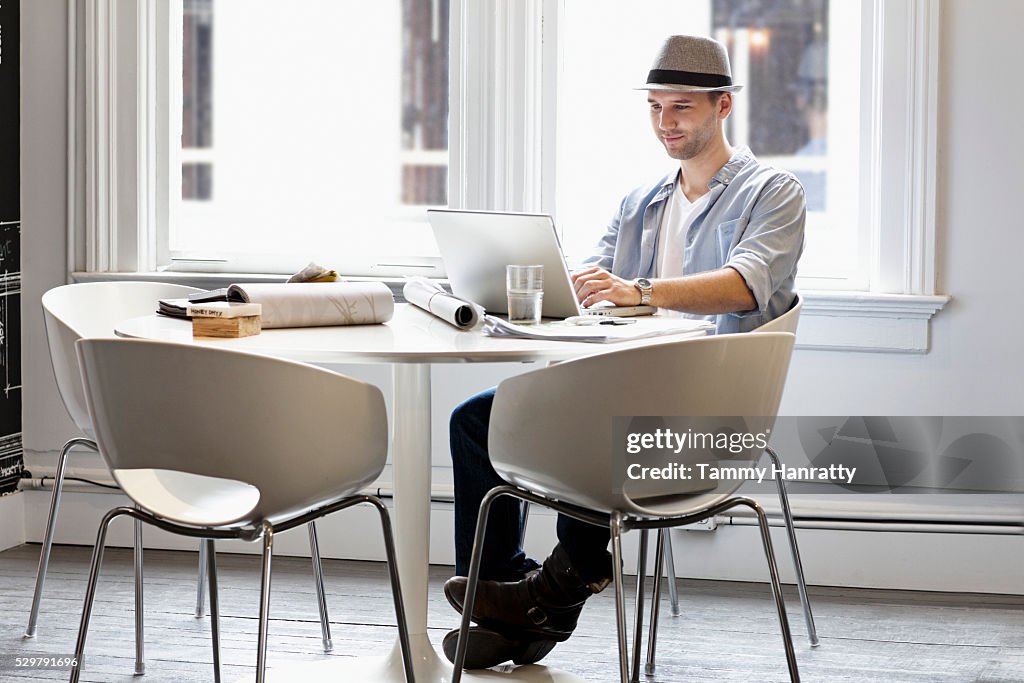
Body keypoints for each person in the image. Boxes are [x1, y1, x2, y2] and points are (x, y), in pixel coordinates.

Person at [443, 34, 806, 669]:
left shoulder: (772, 192)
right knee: (479, 419)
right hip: (626, 391)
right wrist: (556, 288)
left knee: (589, 418)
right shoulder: (641, 203)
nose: (665, 123)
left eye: (682, 108)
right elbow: (594, 285)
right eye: (655, 107)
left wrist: (638, 289)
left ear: (723, 107)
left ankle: (551, 590)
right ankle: (506, 595)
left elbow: (745, 287)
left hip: (707, 409)